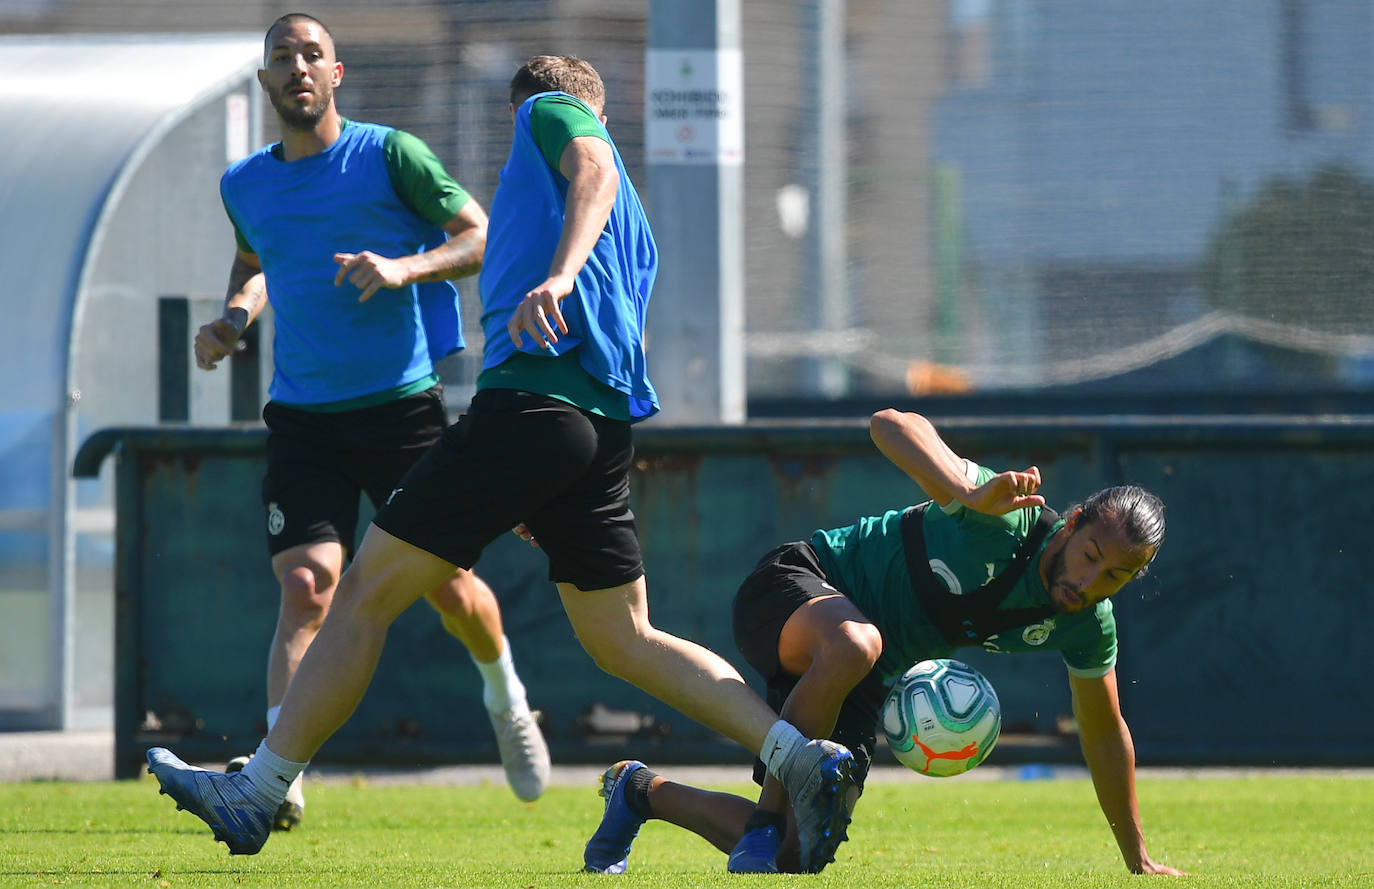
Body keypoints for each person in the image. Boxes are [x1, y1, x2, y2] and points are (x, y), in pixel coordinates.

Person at [148, 53, 858, 873]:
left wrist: (557, 275)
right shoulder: (638, 218)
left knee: (364, 595)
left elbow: (585, 162)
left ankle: (259, 789)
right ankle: (804, 758)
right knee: (627, 636)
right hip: (596, 429)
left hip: (529, 406)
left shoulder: (549, 116)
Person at [186, 13, 550, 826]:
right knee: (308, 587)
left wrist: (401, 268)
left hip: (401, 412)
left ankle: (506, 697)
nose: (297, 69)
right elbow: (256, 261)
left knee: (451, 591)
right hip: (304, 419)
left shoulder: (392, 154)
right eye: (282, 58)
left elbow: (481, 237)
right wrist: (235, 319)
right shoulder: (243, 183)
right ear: (265, 82)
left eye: (311, 55)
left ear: (337, 72)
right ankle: (280, 777)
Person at [580, 408, 1186, 876]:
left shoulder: (1087, 623)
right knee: (856, 643)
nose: (1088, 582)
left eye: (1115, 577)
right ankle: (766, 817)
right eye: (1090, 557)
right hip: (796, 589)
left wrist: (1136, 855)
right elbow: (890, 425)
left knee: (797, 859)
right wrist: (964, 489)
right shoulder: (1004, 512)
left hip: (859, 676)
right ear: (1074, 522)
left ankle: (638, 791)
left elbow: (1104, 731)